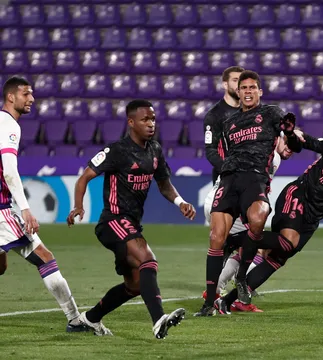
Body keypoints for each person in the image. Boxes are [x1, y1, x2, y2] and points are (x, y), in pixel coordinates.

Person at [213, 129, 323, 314]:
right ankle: (233, 241)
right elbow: (308, 142)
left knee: (278, 259)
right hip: (297, 195)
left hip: (312, 219)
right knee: (288, 242)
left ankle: (227, 301)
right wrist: (293, 134)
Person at [66, 99, 196, 339]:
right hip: (112, 221)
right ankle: (158, 320)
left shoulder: (155, 150)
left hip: (131, 224)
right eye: (145, 119)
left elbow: (164, 184)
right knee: (148, 260)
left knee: (135, 285)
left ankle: (88, 320)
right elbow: (83, 178)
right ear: (131, 122)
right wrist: (78, 206)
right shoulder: (117, 150)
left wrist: (180, 202)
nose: (151, 124)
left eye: (153, 119)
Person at [195, 70, 299, 316]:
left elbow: (293, 146)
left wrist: (291, 134)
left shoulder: (272, 113)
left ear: (259, 91)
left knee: (257, 221)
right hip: (229, 182)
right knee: (216, 238)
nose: (248, 91)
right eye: (244, 88)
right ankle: (210, 302)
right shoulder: (228, 123)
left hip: (255, 180)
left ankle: (241, 278)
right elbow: (218, 152)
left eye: (253, 87)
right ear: (238, 92)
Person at [0, 76, 90, 333]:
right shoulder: (8, 125)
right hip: (1, 209)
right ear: (11, 97)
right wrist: (25, 209)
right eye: (26, 94)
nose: (32, 99)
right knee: (45, 258)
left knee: (1, 265)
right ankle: (75, 320)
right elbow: (9, 171)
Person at [203, 135, 294, 309]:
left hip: (216, 198)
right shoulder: (271, 155)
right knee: (257, 248)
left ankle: (220, 290)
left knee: (241, 245)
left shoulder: (254, 145)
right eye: (288, 142)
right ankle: (222, 293)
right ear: (277, 137)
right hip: (229, 201)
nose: (290, 148)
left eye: (295, 147)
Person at [203, 65, 244, 185]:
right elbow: (211, 151)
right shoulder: (215, 115)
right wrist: (227, 170)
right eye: (235, 80)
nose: (239, 84)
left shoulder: (250, 111)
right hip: (225, 178)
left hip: (249, 178)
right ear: (225, 85)